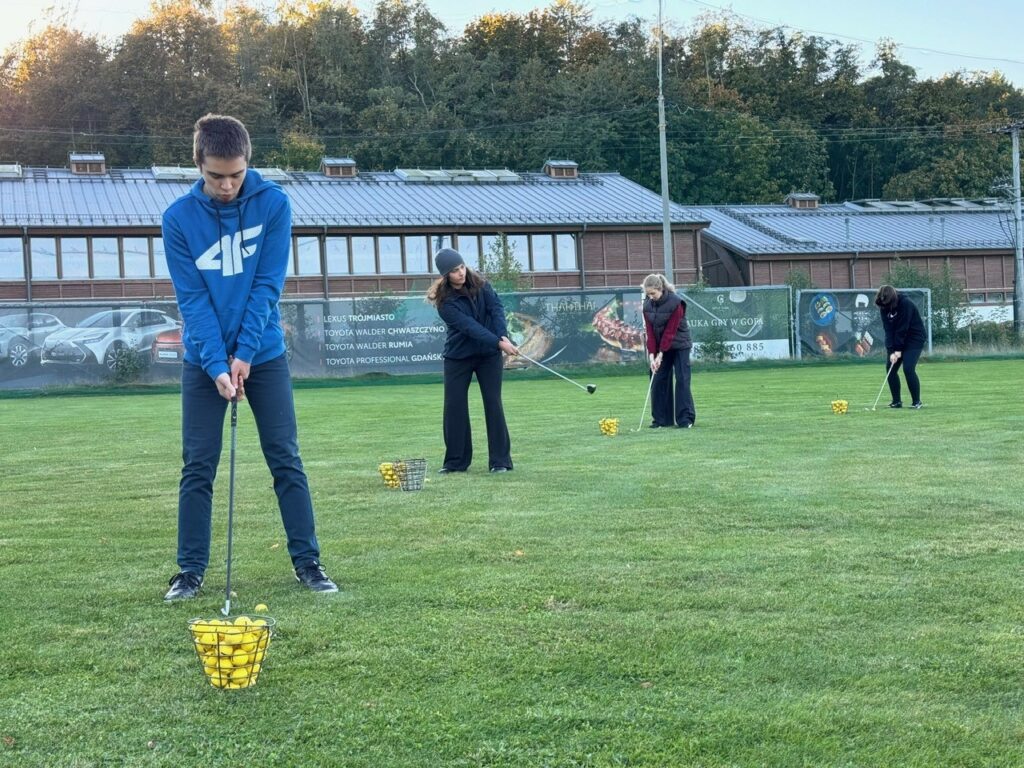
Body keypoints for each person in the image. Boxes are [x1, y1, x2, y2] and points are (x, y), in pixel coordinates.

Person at [161, 114, 337, 601]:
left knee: (286, 457)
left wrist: (244, 354)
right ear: (198, 164)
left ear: (247, 163)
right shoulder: (178, 220)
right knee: (198, 465)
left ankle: (309, 563)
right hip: (203, 363)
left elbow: (267, 286)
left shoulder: (274, 204)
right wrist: (218, 363)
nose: (226, 185)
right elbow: (192, 300)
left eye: (235, 174)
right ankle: (190, 571)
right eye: (216, 175)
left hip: (265, 355)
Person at [427, 248, 519, 473]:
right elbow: (471, 327)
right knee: (454, 406)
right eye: (454, 271)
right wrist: (500, 344)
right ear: (445, 275)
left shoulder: (481, 284)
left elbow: (496, 308)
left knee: (493, 403)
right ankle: (456, 463)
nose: (460, 273)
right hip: (458, 357)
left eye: (461, 267)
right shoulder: (444, 302)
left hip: (488, 357)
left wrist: (502, 334)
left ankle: (500, 462)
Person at [642, 273, 695, 428]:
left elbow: (670, 331)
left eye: (653, 293)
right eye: (648, 294)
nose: (651, 297)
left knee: (682, 379)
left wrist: (661, 354)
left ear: (661, 289)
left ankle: (685, 419)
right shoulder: (647, 305)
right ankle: (661, 420)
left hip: (680, 345)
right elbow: (650, 333)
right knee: (657, 378)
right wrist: (652, 356)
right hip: (660, 347)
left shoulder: (676, 302)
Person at [875, 284, 927, 409]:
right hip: (897, 339)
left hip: (914, 338)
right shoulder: (884, 307)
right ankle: (896, 401)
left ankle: (916, 402)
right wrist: (891, 350)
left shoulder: (906, 304)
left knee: (908, 369)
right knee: (891, 369)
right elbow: (888, 330)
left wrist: (898, 350)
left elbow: (902, 328)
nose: (885, 306)